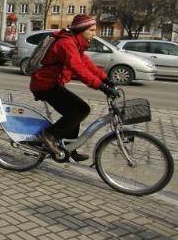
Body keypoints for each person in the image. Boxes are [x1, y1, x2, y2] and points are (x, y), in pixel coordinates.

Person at [29, 14, 118, 161]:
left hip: (52, 84)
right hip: (44, 85)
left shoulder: (74, 43)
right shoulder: (66, 44)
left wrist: (105, 78)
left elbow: (86, 63)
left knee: (75, 111)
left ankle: (70, 149)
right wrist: (100, 86)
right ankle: (48, 135)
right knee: (80, 109)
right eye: (91, 30)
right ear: (82, 30)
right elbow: (78, 69)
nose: (94, 34)